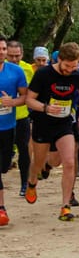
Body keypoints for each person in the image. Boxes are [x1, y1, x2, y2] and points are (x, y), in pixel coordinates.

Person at [25, 42, 79, 221]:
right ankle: (32, 182)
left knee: (69, 162)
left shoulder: (76, 76)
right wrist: (46, 108)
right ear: (59, 59)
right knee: (39, 163)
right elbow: (29, 100)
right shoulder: (43, 74)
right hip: (43, 123)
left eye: (74, 66)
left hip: (64, 124)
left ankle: (65, 206)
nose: (70, 70)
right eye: (67, 66)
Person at [0, 37, 28, 226]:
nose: (1, 52)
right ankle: (1, 208)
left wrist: (13, 102)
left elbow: (26, 97)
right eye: (0, 49)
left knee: (3, 166)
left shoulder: (16, 71)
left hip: (8, 127)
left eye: (3, 48)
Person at [5, 41, 33, 197]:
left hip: (21, 116)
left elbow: (33, 92)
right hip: (3, 118)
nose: (14, 59)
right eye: (11, 56)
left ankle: (25, 183)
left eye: (17, 56)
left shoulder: (27, 69)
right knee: (5, 155)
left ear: (22, 54)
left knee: (24, 151)